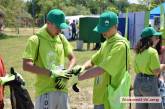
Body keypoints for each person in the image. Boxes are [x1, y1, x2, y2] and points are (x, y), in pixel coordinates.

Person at [70, 11, 131, 109]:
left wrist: (80, 77)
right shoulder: (106, 43)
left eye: (106, 29)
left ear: (115, 26)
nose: (103, 32)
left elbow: (102, 69)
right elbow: (93, 61)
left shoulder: (120, 46)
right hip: (101, 95)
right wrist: (82, 67)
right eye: (102, 29)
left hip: (111, 97)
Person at [22, 9, 76, 109]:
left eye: (61, 27)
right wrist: (51, 73)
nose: (60, 30)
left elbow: (72, 58)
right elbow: (26, 65)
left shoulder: (61, 38)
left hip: (62, 90)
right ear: (48, 23)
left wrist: (66, 74)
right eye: (57, 27)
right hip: (45, 91)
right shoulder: (35, 40)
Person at [133, 27, 165, 109]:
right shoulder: (152, 52)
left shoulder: (138, 52)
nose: (157, 38)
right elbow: (156, 71)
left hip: (137, 82)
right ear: (150, 38)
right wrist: (163, 65)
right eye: (155, 37)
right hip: (149, 83)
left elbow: (136, 70)